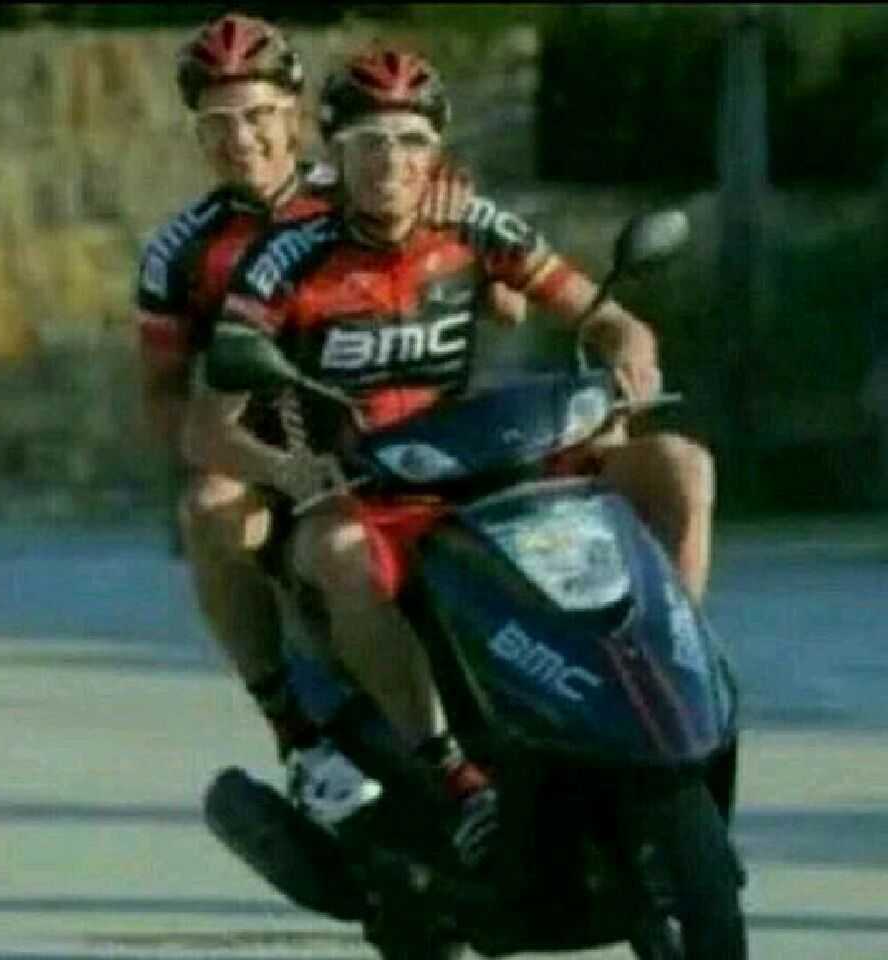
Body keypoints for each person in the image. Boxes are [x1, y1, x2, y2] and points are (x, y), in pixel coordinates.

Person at [204, 46, 716, 868]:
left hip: (483, 468)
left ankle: (669, 676)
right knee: (338, 552)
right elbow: (207, 426)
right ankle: (453, 777)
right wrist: (289, 471)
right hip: (361, 492)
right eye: (369, 142)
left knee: (681, 466)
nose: (391, 163)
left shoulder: (475, 222)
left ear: (437, 148)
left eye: (411, 141)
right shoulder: (284, 259)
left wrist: (629, 366)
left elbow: (608, 319)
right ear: (334, 152)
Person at [133, 15, 520, 832]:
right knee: (207, 505)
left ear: (297, 115)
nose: (242, 140)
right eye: (217, 123)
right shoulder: (181, 252)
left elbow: (499, 295)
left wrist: (469, 221)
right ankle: (299, 737)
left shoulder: (367, 178)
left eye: (259, 116)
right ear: (196, 132)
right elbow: (165, 396)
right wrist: (245, 466)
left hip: (412, 448)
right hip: (277, 465)